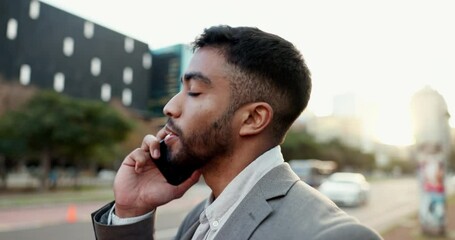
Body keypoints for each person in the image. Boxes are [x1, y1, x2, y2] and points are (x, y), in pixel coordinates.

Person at [92, 25, 383, 240]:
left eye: (193, 91)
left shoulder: (335, 236)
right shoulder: (197, 219)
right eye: (179, 89)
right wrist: (131, 211)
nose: (169, 107)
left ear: (253, 119)